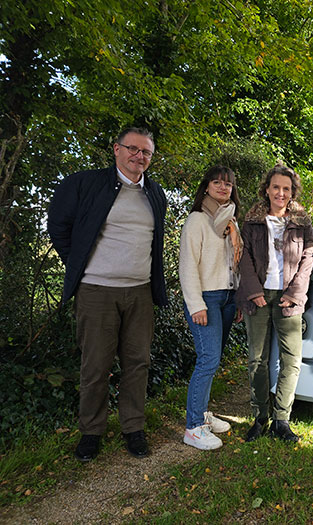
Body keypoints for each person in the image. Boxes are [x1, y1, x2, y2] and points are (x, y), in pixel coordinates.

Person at [48, 127, 167, 461]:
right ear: (116, 149)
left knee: (137, 364)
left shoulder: (154, 194)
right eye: (133, 149)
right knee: (96, 366)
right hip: (96, 291)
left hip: (140, 293)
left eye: (146, 152)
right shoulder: (86, 184)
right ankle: (91, 432)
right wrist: (78, 263)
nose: (138, 156)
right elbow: (58, 226)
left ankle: (133, 428)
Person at [237, 163, 313, 443]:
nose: (280, 193)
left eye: (286, 188)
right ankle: (260, 416)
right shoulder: (252, 219)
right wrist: (253, 290)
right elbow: (243, 256)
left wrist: (295, 293)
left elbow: (308, 257)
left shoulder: (302, 221)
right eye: (276, 187)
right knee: (257, 359)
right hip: (258, 296)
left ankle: (282, 420)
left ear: (292, 192)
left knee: (291, 360)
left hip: (288, 299)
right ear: (266, 189)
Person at [180, 165, 244, 450]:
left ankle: (204, 412)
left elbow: (235, 265)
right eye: (216, 183)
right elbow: (187, 266)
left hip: (228, 298)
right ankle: (193, 426)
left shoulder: (230, 221)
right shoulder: (197, 220)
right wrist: (196, 304)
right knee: (207, 360)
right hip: (206, 298)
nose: (222, 187)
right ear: (206, 187)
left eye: (227, 184)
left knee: (214, 359)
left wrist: (238, 298)